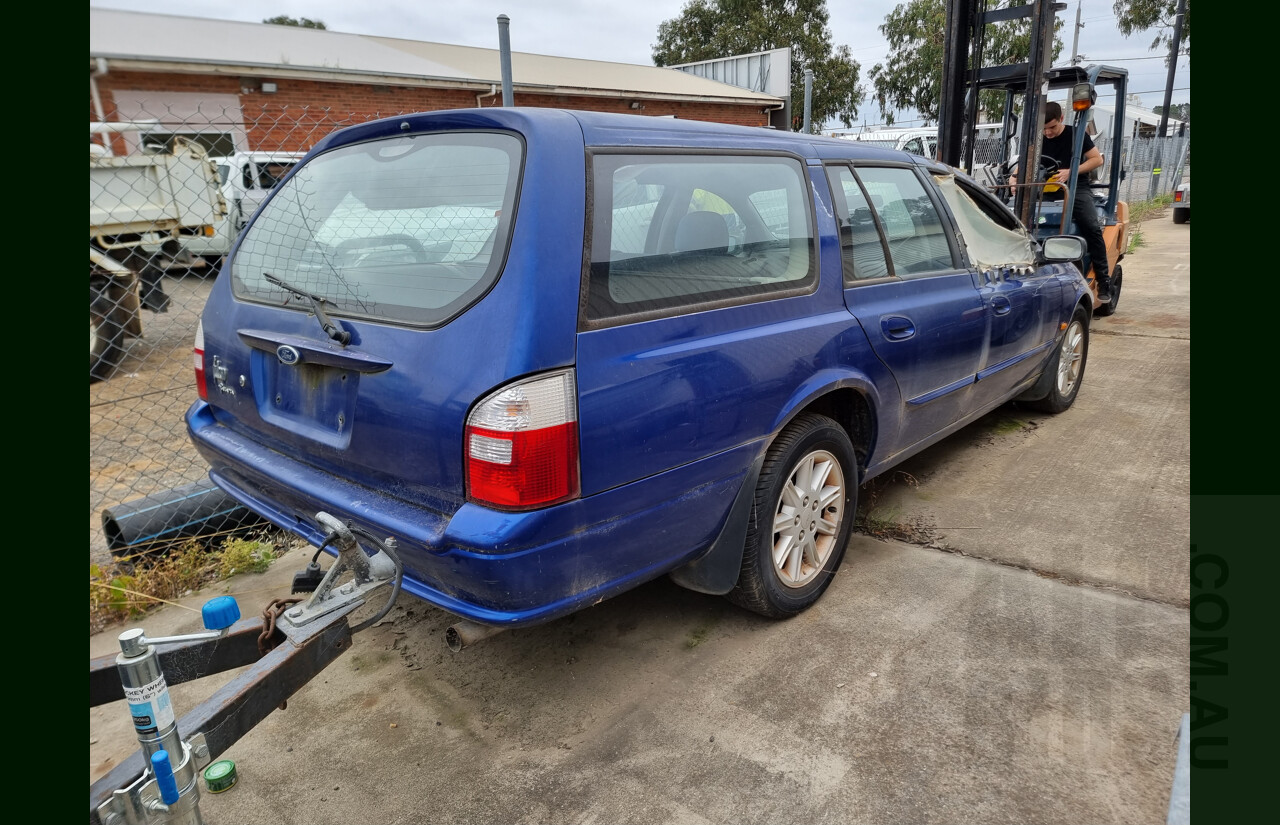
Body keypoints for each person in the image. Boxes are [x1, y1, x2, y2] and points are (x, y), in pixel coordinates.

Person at [1037, 101, 1112, 301]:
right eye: (1044, 129)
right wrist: (1013, 178)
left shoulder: (1076, 134)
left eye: (1052, 127)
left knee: (1091, 225)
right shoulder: (1037, 137)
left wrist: (1071, 171)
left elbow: (1097, 159)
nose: (1048, 133)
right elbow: (1024, 163)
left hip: (1075, 187)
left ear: (1061, 119)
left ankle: (1104, 282)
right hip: (1047, 188)